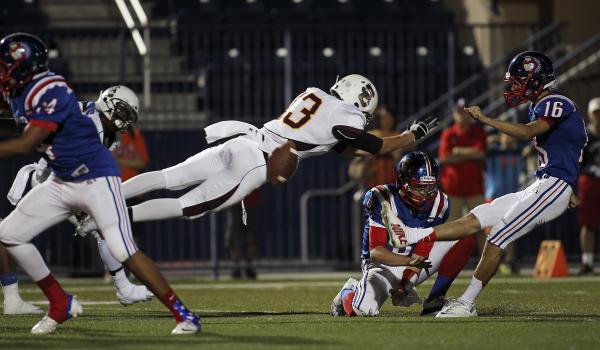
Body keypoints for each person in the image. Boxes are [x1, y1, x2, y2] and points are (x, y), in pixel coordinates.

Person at [0, 33, 199, 334]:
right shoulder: (17, 91)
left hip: (95, 178)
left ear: (26, 66)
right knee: (9, 234)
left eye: (6, 65)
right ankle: (60, 304)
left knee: (122, 249)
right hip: (61, 178)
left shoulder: (51, 88)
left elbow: (28, 142)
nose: (3, 71)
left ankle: (184, 315)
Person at [76, 74, 439, 232]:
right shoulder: (345, 114)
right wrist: (411, 135)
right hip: (255, 164)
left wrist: (363, 145)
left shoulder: (315, 95)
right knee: (188, 206)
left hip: (245, 140)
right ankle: (102, 220)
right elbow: (374, 146)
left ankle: (101, 199)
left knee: (169, 177)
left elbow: (339, 144)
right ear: (359, 100)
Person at [392, 51, 587, 317]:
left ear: (536, 79)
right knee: (474, 219)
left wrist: (484, 119)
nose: (515, 87)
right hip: (545, 182)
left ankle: (467, 303)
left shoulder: (556, 101)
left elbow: (528, 132)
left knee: (496, 237)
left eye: (519, 80)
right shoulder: (541, 104)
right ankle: (414, 235)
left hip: (553, 184)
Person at [0, 85, 153, 315]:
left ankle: (122, 288)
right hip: (52, 181)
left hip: (69, 179)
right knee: (7, 234)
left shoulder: (104, 128)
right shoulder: (90, 124)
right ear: (108, 103)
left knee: (102, 225)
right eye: (121, 112)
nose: (123, 121)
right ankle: (121, 288)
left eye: (127, 117)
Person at [330, 151, 475, 317]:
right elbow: (376, 253)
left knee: (463, 237)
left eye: (430, 186)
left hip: (416, 260)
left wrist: (405, 283)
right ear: (402, 181)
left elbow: (426, 242)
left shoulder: (440, 203)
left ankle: (435, 301)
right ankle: (348, 291)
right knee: (359, 311)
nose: (425, 193)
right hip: (383, 264)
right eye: (418, 186)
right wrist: (408, 261)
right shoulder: (383, 198)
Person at [438, 98, 487, 252]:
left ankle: (483, 261)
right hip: (453, 188)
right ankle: (448, 262)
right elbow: (445, 157)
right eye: (459, 112)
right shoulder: (449, 132)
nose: (462, 116)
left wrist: (458, 151)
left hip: (474, 187)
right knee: (452, 228)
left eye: (465, 113)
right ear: (454, 114)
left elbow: (481, 153)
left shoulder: (478, 131)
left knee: (480, 225)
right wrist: (470, 152)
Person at [484, 132, 524, 274]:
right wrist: (493, 138)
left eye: (510, 135)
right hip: (493, 197)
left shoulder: (519, 151)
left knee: (510, 230)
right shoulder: (492, 152)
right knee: (491, 232)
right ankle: (490, 262)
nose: (508, 138)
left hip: (512, 196)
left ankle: (509, 261)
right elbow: (482, 144)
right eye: (505, 135)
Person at [577, 97, 600, 275]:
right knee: (587, 223)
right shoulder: (585, 136)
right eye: (596, 113)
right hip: (590, 181)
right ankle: (587, 262)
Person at [226, 188, 261, 279]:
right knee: (233, 236)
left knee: (252, 236)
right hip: (234, 201)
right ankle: (236, 266)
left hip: (251, 200)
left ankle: (249, 266)